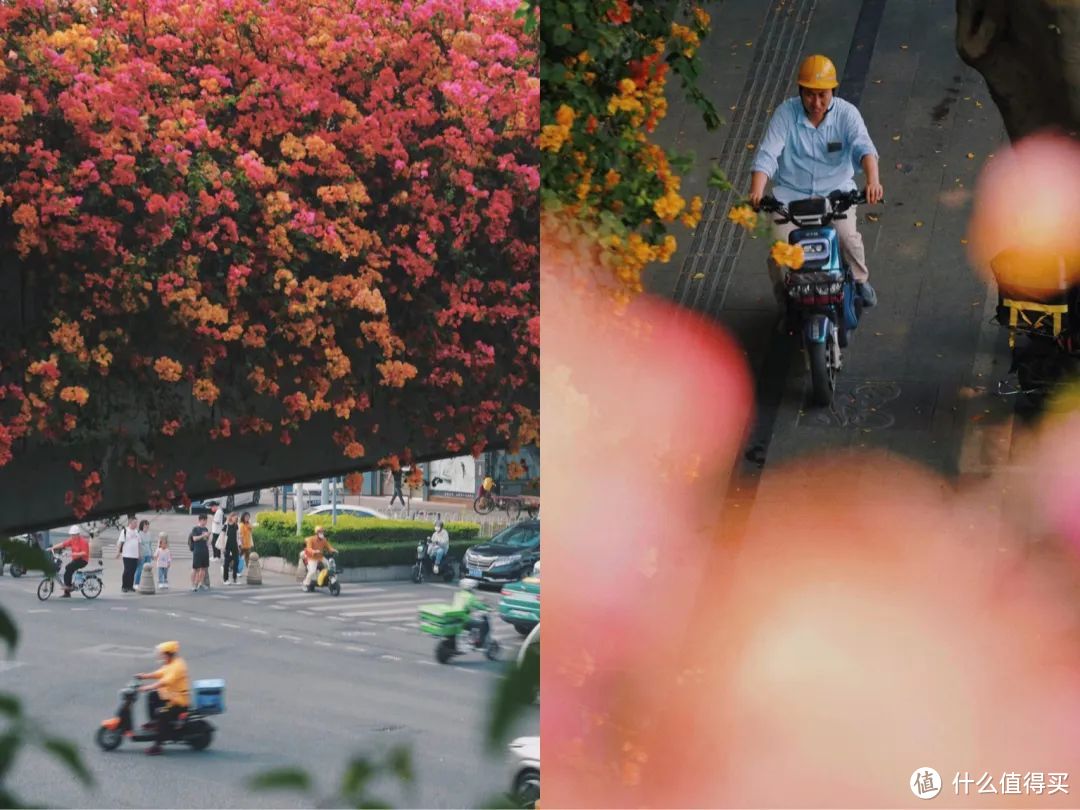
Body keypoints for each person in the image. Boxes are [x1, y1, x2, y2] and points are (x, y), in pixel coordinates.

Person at [748, 54, 884, 308]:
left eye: (823, 94)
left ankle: (859, 281)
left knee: (848, 239)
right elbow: (768, 153)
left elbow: (864, 147)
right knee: (779, 255)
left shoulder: (847, 114)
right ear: (800, 92)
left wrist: (873, 181)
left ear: (833, 91)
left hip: (836, 197)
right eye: (810, 94)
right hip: (790, 199)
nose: (817, 102)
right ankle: (786, 304)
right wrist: (757, 191)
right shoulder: (785, 114)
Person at [134, 640, 190, 756]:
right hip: (170, 696)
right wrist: (144, 676)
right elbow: (161, 673)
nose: (161, 656)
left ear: (169, 654)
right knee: (152, 696)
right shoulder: (170, 663)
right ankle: (154, 723)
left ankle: (158, 745)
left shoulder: (178, 666)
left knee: (162, 713)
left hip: (178, 701)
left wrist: (148, 687)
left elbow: (165, 681)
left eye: (162, 654)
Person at [50, 525, 89, 598]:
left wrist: (72, 553)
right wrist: (53, 547)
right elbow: (63, 544)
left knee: (68, 568)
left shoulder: (83, 542)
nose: (72, 536)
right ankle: (67, 592)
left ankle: (69, 587)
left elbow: (84, 553)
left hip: (83, 560)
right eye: (72, 535)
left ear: (78, 534)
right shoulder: (72, 540)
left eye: (74, 535)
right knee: (67, 571)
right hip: (76, 559)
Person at [452, 578, 491, 647]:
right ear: (470, 588)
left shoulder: (458, 594)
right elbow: (477, 605)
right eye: (473, 587)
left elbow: (471, 602)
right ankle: (479, 643)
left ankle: (470, 638)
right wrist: (487, 608)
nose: (474, 589)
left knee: (474, 621)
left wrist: (480, 600)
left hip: (456, 618)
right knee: (483, 624)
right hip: (464, 619)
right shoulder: (470, 596)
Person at [301, 526, 337, 591]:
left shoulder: (324, 540)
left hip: (320, 557)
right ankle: (305, 583)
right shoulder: (311, 539)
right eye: (320, 532)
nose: (322, 533)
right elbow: (309, 548)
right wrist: (314, 551)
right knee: (312, 571)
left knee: (330, 566)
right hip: (312, 558)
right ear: (316, 533)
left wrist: (333, 550)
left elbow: (329, 547)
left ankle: (331, 579)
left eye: (322, 531)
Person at [116, 516, 140, 593]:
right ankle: (124, 586)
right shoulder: (125, 531)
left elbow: (139, 543)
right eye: (134, 522)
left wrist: (139, 554)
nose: (136, 524)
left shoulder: (136, 532)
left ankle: (130, 586)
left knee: (133, 571)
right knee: (127, 570)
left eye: (136, 523)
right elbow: (121, 542)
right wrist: (118, 552)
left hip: (135, 555)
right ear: (130, 523)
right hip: (127, 554)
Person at [188, 514, 211, 592]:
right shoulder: (195, 529)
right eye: (205, 520)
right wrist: (202, 535)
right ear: (201, 520)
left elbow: (207, 542)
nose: (206, 522)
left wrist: (208, 537)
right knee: (195, 568)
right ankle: (193, 584)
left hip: (205, 550)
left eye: (206, 520)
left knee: (203, 568)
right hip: (197, 550)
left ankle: (201, 583)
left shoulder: (206, 529)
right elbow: (194, 539)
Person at [133, 519, 153, 587]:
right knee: (139, 569)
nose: (147, 527)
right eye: (145, 526)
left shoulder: (149, 534)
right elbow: (137, 545)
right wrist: (138, 555)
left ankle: (145, 583)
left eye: (147, 526)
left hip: (148, 554)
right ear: (142, 526)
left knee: (147, 570)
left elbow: (150, 544)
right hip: (142, 555)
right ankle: (136, 583)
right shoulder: (139, 534)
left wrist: (152, 553)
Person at [222, 513, 240, 585]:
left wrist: (238, 546)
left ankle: (234, 579)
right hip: (227, 546)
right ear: (231, 517)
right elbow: (223, 536)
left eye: (236, 518)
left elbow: (237, 537)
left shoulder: (236, 526)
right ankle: (225, 579)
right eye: (234, 517)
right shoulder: (226, 526)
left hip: (235, 546)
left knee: (236, 562)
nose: (235, 518)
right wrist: (223, 547)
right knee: (226, 563)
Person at [239, 512, 253, 578]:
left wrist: (251, 528)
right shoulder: (241, 525)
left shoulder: (248, 524)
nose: (247, 518)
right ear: (243, 517)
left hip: (248, 544)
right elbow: (241, 535)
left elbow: (250, 533)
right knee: (238, 558)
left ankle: (250, 571)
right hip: (242, 545)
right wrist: (241, 544)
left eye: (248, 517)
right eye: (246, 517)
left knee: (248, 558)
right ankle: (232, 568)